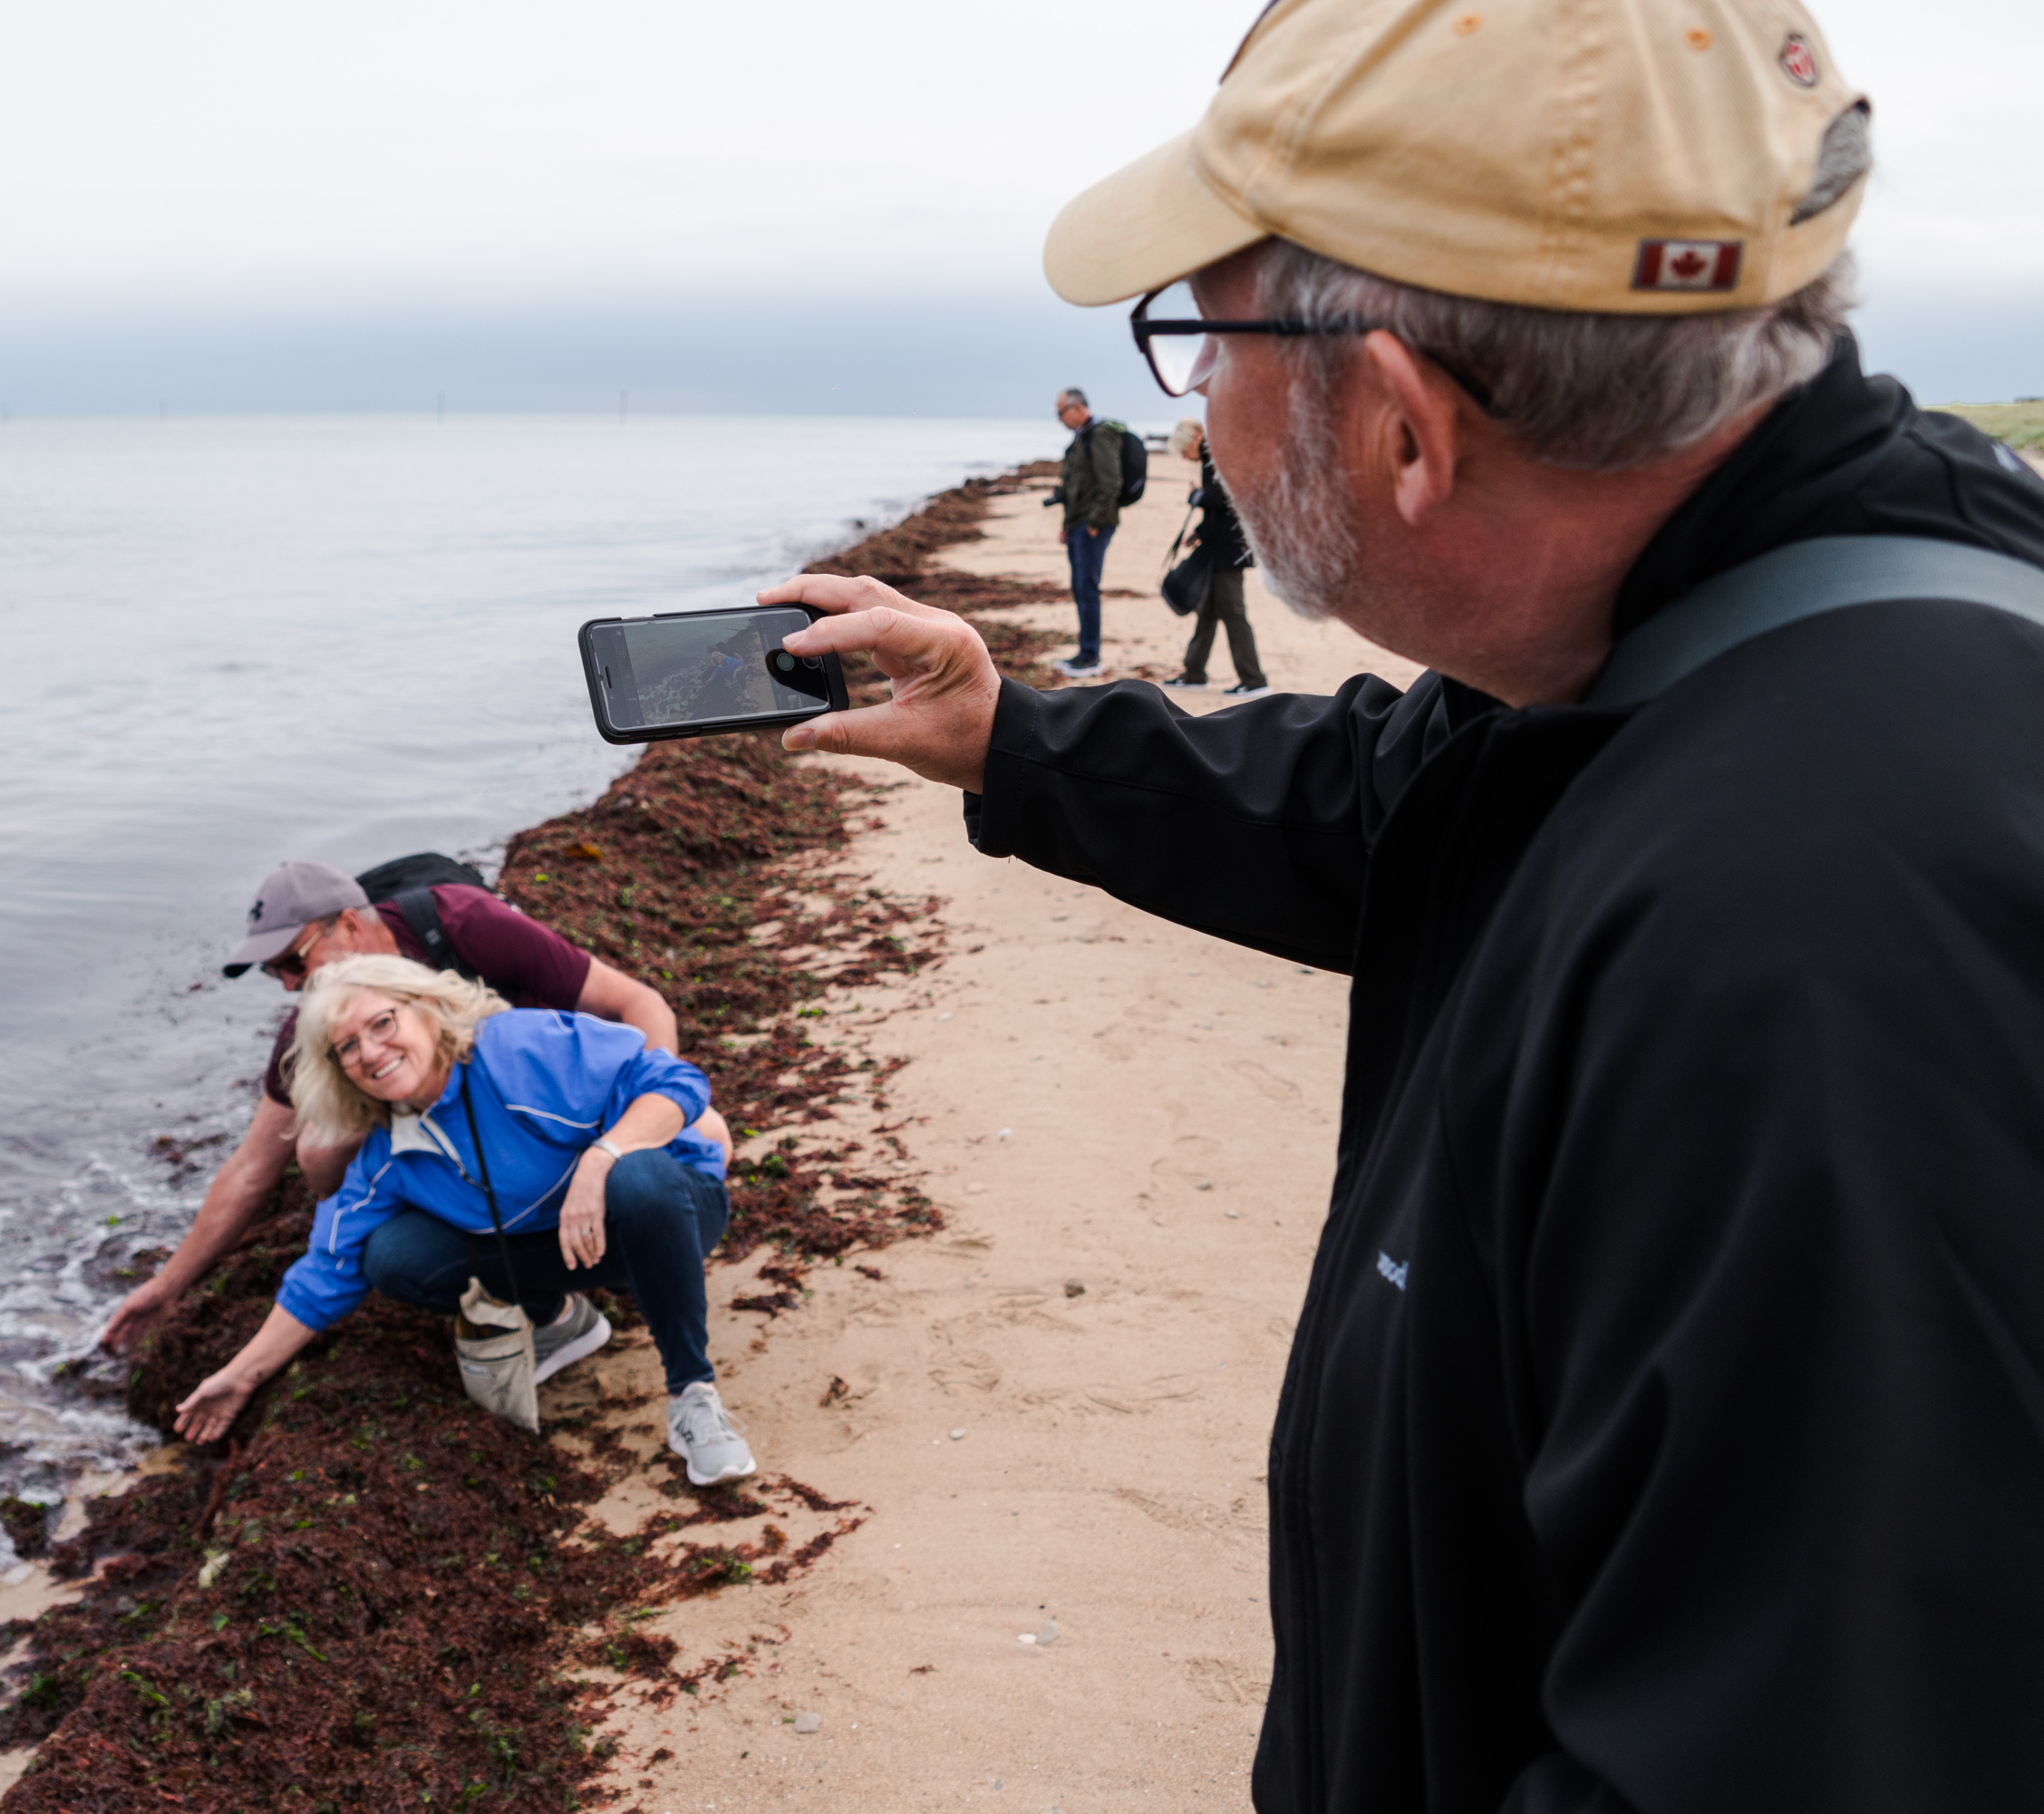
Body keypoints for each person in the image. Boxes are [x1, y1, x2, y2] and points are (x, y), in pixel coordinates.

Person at [756, 0, 2044, 1805]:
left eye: (1202, 336)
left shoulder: (1809, 951)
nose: (1198, 407)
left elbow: (1813, 1738)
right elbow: (1418, 798)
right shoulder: (1719, 617)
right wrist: (1012, 740)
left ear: (1406, 429)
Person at [171, 955, 757, 1486]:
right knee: (393, 1255)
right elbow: (326, 1268)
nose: (370, 1052)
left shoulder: (517, 1050)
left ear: (427, 1011)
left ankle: (692, 1395)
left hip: (670, 1212)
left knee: (638, 1176)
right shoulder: (387, 1149)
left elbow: (675, 1079)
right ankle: (559, 1321)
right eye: (347, 1046)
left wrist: (602, 1157)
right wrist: (240, 1376)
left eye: (382, 1023)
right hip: (565, 1246)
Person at [98, 860, 725, 1354]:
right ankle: (545, 1305)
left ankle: (636, 1237)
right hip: (474, 1176)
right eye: (273, 973)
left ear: (349, 924)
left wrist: (647, 1124)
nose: (289, 984)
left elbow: (640, 1003)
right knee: (335, 1174)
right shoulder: (314, 1028)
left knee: (698, 1135)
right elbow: (253, 1167)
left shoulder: (462, 925)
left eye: (292, 960)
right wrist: (168, 1285)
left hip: (567, 1117)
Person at [1166, 418, 1267, 696]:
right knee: (1207, 611)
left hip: (1228, 552)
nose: (1185, 457)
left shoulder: (1218, 457)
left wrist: (1195, 496)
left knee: (1233, 613)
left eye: (1184, 451)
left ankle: (1254, 680)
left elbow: (1221, 499)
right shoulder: (1215, 456)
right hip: (1218, 547)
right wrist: (1199, 531)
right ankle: (1194, 673)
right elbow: (1221, 510)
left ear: (1195, 439)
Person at [1050, 388, 1122, 678]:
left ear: (1078, 407)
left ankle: (1091, 657)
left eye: (1061, 412)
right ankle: (1085, 653)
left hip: (1092, 526)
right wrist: (1067, 526)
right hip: (1078, 525)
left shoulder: (1099, 435)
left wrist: (1094, 521)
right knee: (1080, 588)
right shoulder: (1082, 437)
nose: (1059, 418)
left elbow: (1111, 482)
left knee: (1087, 588)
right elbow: (1076, 487)